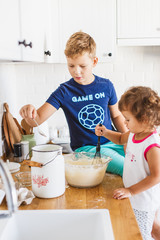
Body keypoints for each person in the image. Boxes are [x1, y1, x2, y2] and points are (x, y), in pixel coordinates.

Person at [19, 31, 127, 176]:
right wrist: (29, 111)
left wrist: (127, 139)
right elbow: (36, 119)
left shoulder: (106, 86)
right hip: (87, 149)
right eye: (71, 66)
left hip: (114, 141)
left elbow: (117, 116)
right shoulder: (64, 91)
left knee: (145, 158)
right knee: (126, 167)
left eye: (82, 66)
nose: (77, 71)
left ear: (94, 62)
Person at [95, 86, 160, 240]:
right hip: (135, 196)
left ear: (144, 119)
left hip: (143, 201)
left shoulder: (152, 146)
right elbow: (119, 139)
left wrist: (131, 191)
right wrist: (105, 132)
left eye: (128, 119)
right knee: (144, 228)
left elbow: (156, 176)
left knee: (141, 234)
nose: (124, 122)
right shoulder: (133, 133)